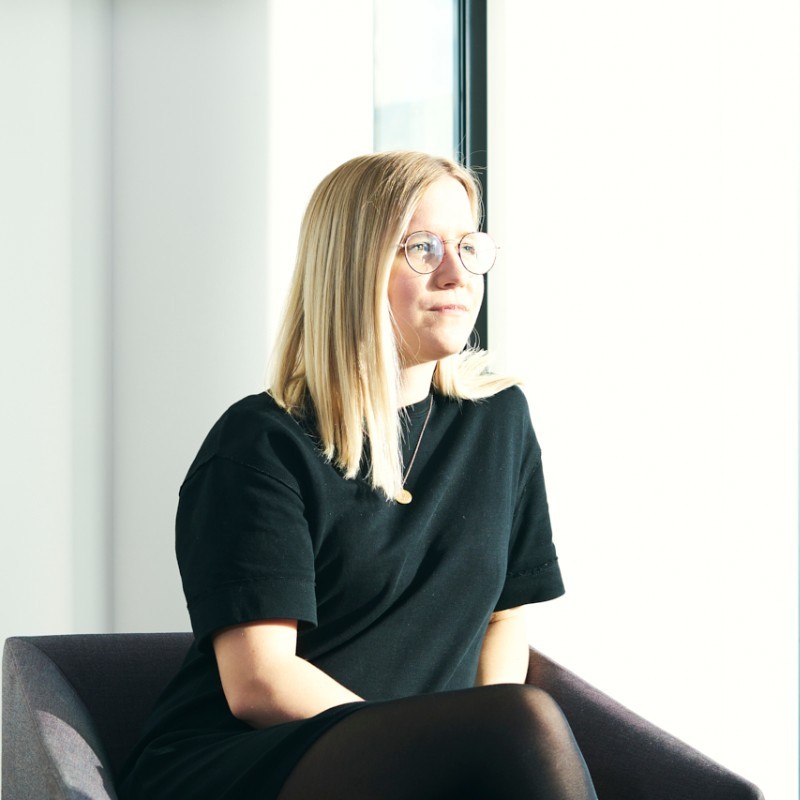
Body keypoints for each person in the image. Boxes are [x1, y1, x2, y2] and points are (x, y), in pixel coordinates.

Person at [117, 151, 597, 799]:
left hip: (415, 764)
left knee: (519, 723)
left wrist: (474, 741)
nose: (456, 274)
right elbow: (260, 682)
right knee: (523, 724)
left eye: (468, 246)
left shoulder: (499, 420)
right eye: (423, 248)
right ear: (351, 266)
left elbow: (503, 618)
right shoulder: (261, 444)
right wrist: (442, 752)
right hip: (253, 761)